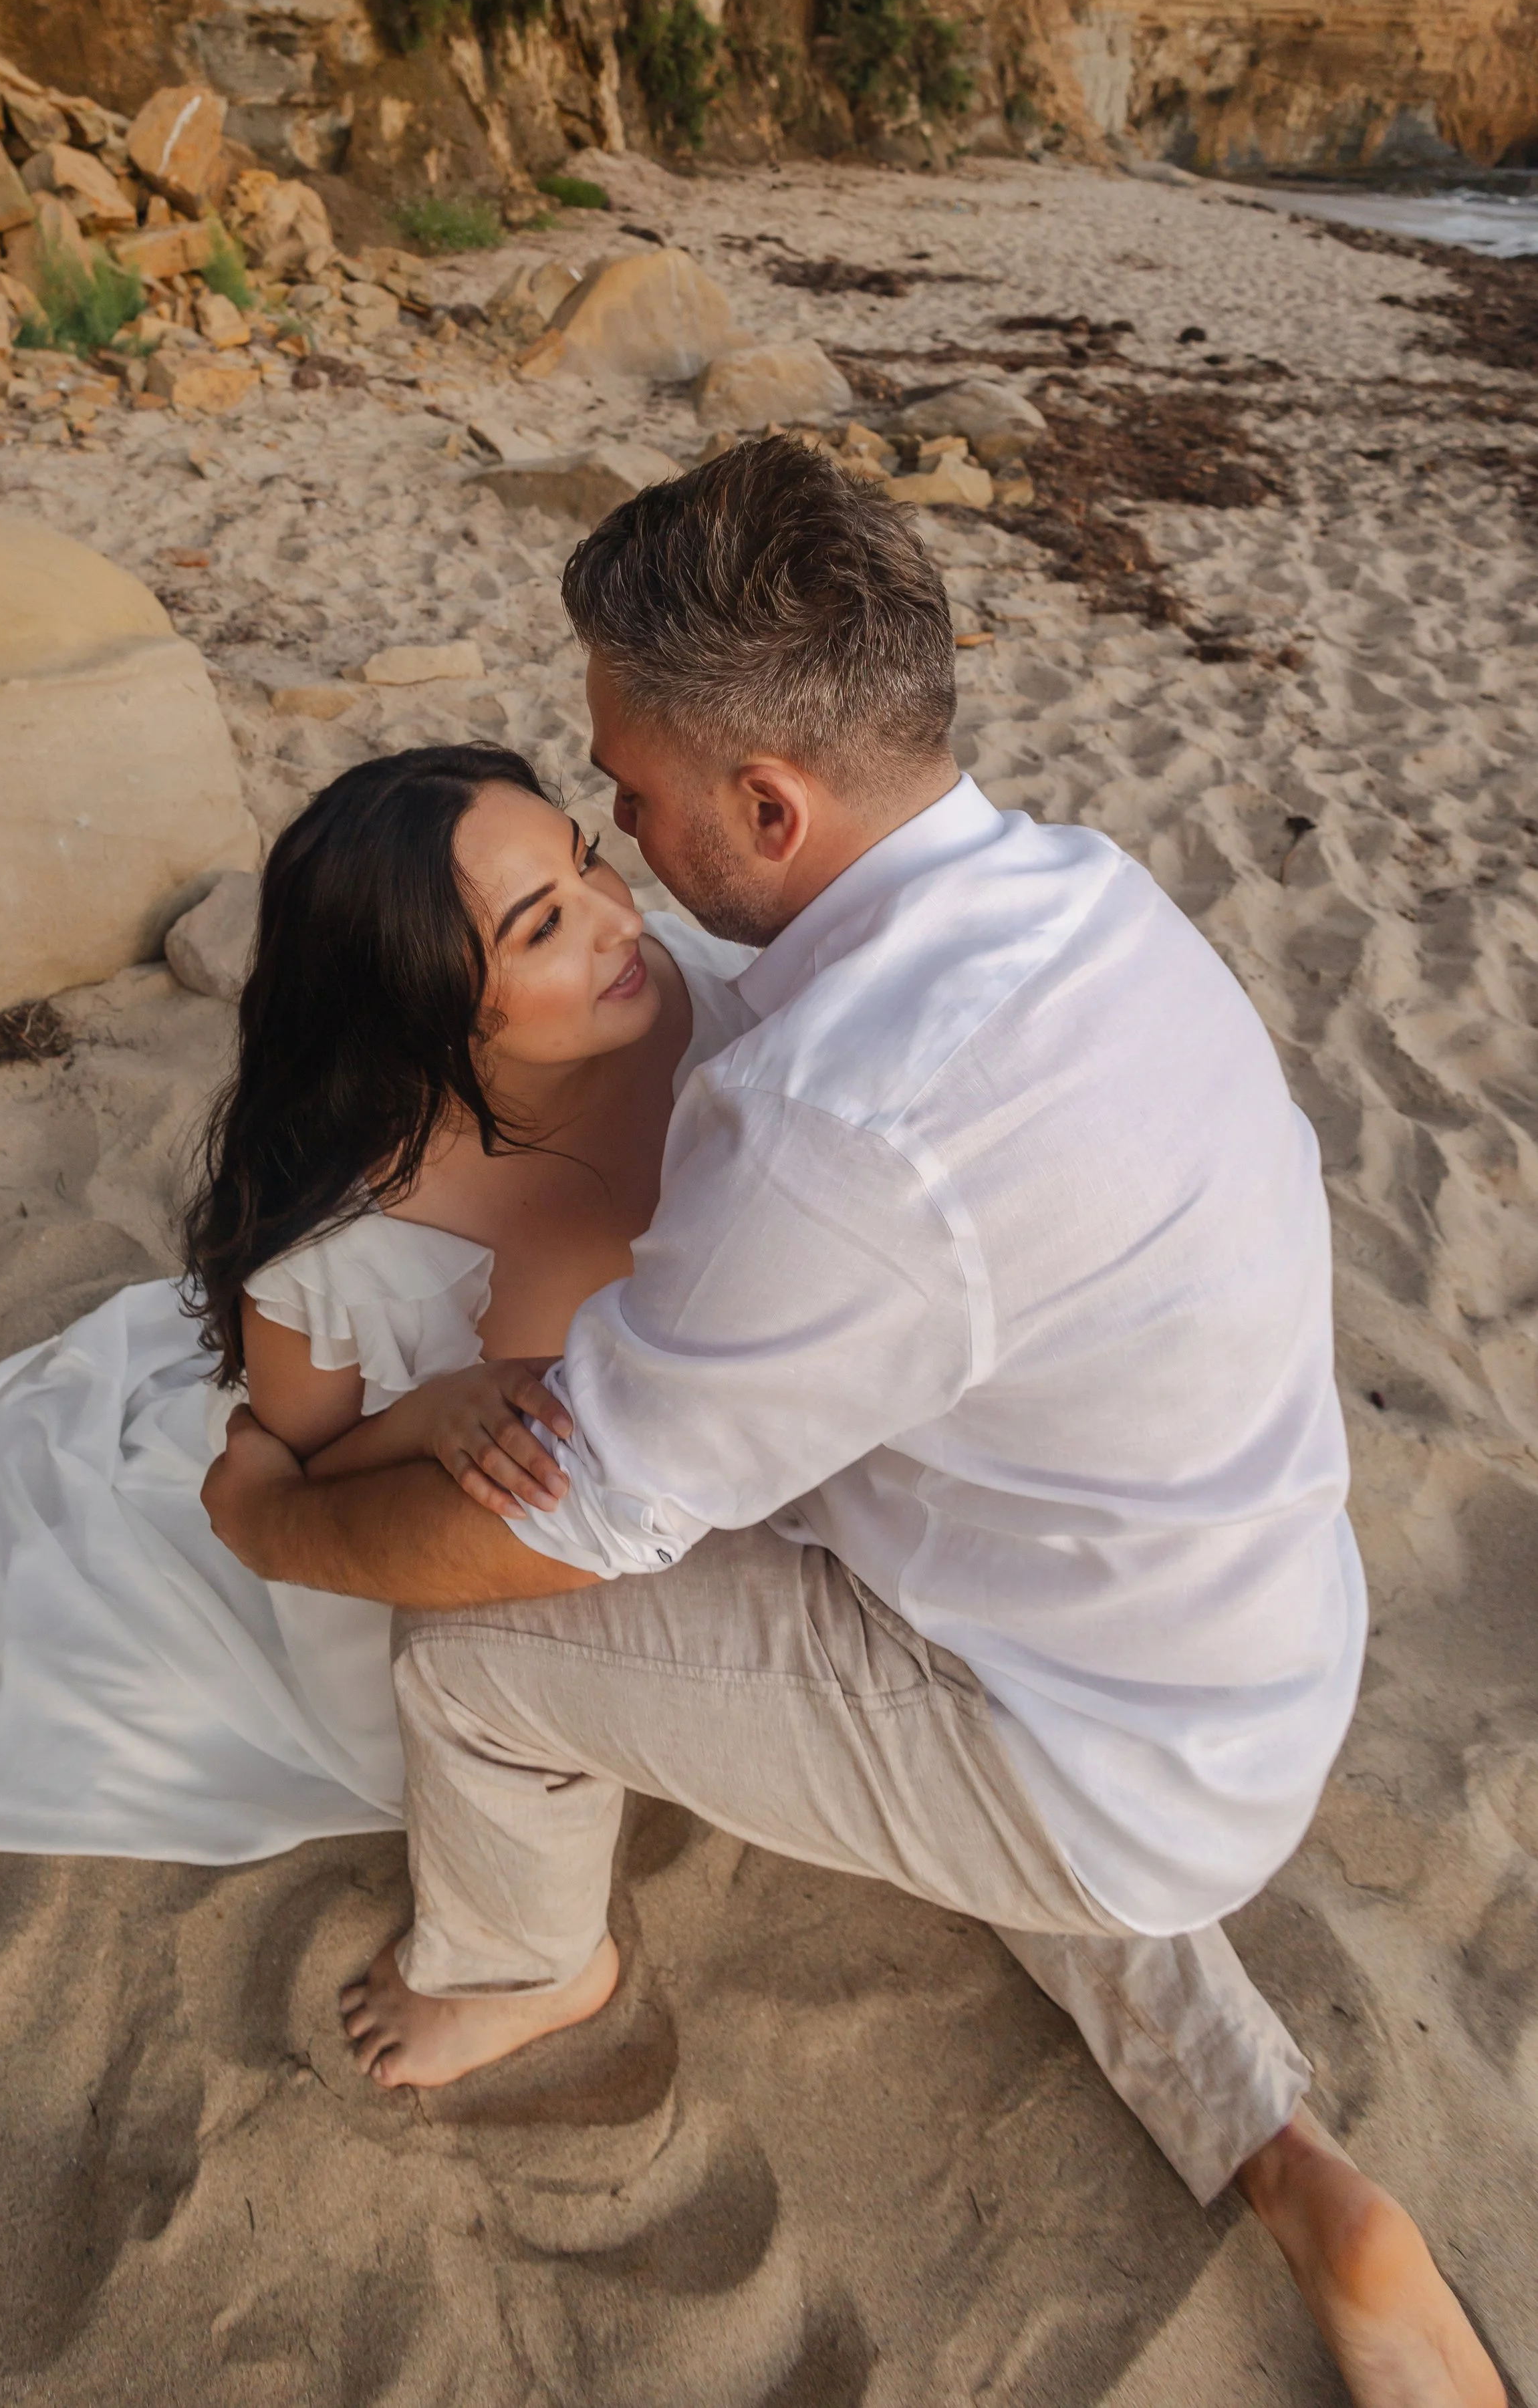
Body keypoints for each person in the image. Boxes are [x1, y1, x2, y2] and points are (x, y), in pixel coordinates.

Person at [205, 439, 1505, 2408]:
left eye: (626, 798)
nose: (622, 843)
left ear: (767, 798)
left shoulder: (837, 1128)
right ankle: (1286, 2154)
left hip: (1087, 1731)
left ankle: (525, 1963)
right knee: (1002, 1771)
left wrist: (281, 1518)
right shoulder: (1074, 888)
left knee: (476, 1648)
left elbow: (566, 1522)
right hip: (1233, 1645)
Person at [0, 743, 753, 1861]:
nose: (622, 922)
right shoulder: (342, 1231)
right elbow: (290, 1469)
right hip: (463, 1540)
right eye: (542, 927)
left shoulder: (692, 989)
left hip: (700, 1480)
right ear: (419, 1006)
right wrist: (431, 1416)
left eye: (588, 865)